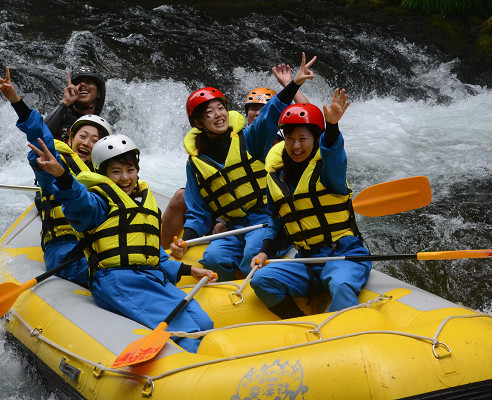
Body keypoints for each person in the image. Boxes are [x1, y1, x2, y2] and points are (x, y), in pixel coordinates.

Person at [29, 133, 217, 353]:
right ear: (104, 175)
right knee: (186, 333)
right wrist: (61, 174)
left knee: (204, 324)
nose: (126, 178)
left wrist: (188, 269)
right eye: (116, 172)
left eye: (130, 170)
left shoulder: (140, 202)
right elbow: (77, 199)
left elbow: (151, 254)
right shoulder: (97, 203)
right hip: (117, 280)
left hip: (150, 277)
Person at [168, 52, 317, 282]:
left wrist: (294, 84)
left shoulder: (250, 137)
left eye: (220, 108)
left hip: (267, 218)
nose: (218, 115)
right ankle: (229, 294)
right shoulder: (195, 163)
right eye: (209, 113)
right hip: (233, 224)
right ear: (198, 123)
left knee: (252, 254)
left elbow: (271, 112)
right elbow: (197, 211)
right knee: (213, 260)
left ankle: (258, 287)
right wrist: (185, 240)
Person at [249, 89, 372, 319]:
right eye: (290, 139)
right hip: (306, 259)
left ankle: (341, 337)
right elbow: (278, 220)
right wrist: (265, 251)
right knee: (261, 280)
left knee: (341, 284)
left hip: (342, 253)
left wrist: (332, 126)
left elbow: (334, 152)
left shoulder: (329, 170)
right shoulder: (276, 173)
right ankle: (298, 324)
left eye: (303, 139)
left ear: (315, 139)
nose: (296, 146)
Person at [1, 66, 111, 287]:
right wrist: (16, 101)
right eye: (83, 137)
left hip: (98, 243)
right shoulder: (56, 162)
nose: (87, 143)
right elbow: (40, 133)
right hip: (65, 245)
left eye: (94, 140)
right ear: (71, 139)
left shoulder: (107, 173)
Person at [44, 66, 106, 143]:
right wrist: (66, 102)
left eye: (89, 81)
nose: (82, 84)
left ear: (99, 93)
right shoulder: (61, 116)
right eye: (78, 82)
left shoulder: (102, 127)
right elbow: (40, 135)